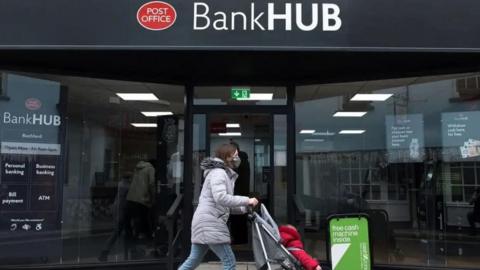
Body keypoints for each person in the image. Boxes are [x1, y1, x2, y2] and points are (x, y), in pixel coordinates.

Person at [178, 143, 259, 270]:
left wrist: (245, 208)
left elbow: (225, 204)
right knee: (229, 262)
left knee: (193, 260)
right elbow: (221, 198)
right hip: (211, 223)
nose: (238, 158)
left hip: (205, 222)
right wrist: (247, 200)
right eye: (236, 155)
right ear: (227, 157)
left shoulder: (221, 173)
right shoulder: (219, 173)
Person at [124, 160, 156, 258]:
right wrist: (153, 198)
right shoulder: (150, 169)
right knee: (144, 224)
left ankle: (130, 249)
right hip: (141, 200)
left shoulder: (137, 168)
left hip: (130, 199)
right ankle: (147, 248)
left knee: (133, 226)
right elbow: (151, 183)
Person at [98, 173, 132, 261]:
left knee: (125, 233)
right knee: (118, 233)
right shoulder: (126, 186)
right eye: (130, 177)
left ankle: (131, 252)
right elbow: (124, 202)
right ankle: (104, 252)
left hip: (120, 212)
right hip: (122, 212)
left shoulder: (121, 184)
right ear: (128, 178)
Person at [229, 141, 251, 245]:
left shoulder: (239, 161)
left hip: (237, 194)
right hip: (243, 193)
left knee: (236, 219)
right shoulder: (245, 161)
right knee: (241, 218)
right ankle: (242, 240)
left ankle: (238, 240)